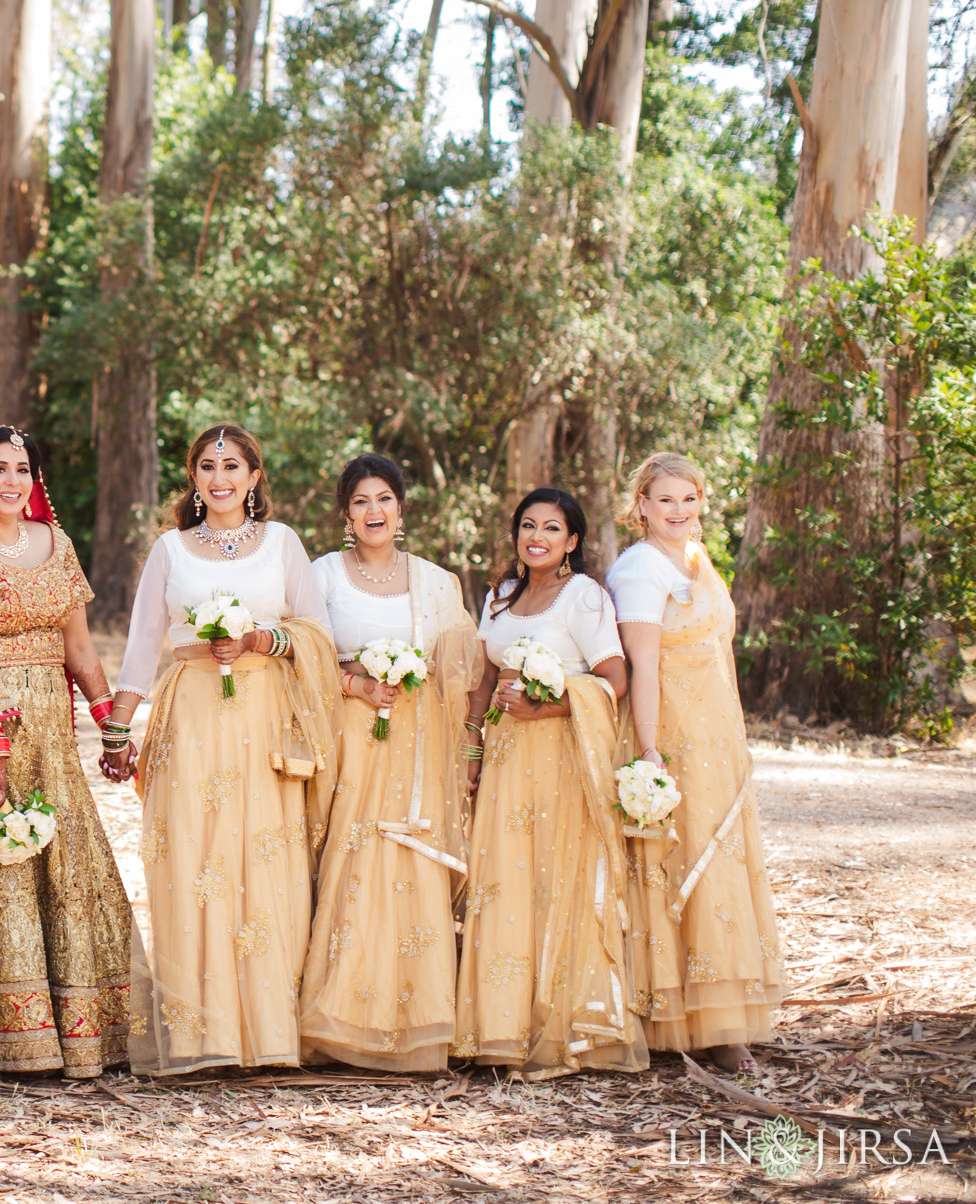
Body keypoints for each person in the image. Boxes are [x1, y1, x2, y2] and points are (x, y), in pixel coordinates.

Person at [111, 424, 341, 1075]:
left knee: (266, 860)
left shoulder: (285, 545)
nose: (220, 476)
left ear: (254, 477)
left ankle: (266, 1032)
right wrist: (117, 728)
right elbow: (140, 645)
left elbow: (317, 635)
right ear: (194, 477)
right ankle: (197, 1036)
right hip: (189, 712)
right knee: (191, 856)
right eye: (208, 465)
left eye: (232, 465)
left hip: (265, 713)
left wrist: (263, 640)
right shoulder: (169, 550)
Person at [0, 427, 138, 1077]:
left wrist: (112, 727)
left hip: (55, 734)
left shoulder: (58, 543)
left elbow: (81, 647)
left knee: (64, 865)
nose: (13, 480)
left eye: (23, 469)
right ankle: (3, 1034)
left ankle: (80, 1032)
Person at [455, 488, 645, 1079]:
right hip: (506, 755)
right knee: (501, 882)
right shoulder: (500, 598)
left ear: (572, 542)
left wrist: (553, 704)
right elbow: (485, 681)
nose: (536, 537)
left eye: (551, 528)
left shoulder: (583, 596)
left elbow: (614, 677)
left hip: (560, 755)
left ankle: (559, 1029)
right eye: (527, 526)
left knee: (551, 880)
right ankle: (499, 1033)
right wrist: (471, 752)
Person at [300, 454, 481, 1072]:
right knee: (354, 854)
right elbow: (303, 649)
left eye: (384, 499)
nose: (373, 511)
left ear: (401, 507)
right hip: (351, 732)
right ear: (345, 514)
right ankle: (340, 1020)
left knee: (413, 860)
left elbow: (464, 666)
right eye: (360, 502)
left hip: (418, 737)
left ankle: (418, 1023)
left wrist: (427, 688)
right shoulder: (322, 574)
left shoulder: (436, 581)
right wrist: (356, 685)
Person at [607, 452, 786, 1073]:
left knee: (721, 860)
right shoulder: (638, 571)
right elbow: (643, 666)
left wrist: (737, 734)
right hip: (670, 734)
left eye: (689, 499)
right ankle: (678, 1019)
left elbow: (719, 652)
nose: (678, 511)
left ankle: (723, 1009)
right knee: (678, 859)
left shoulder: (699, 561)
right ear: (642, 507)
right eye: (665, 500)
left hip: (717, 736)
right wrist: (650, 748)